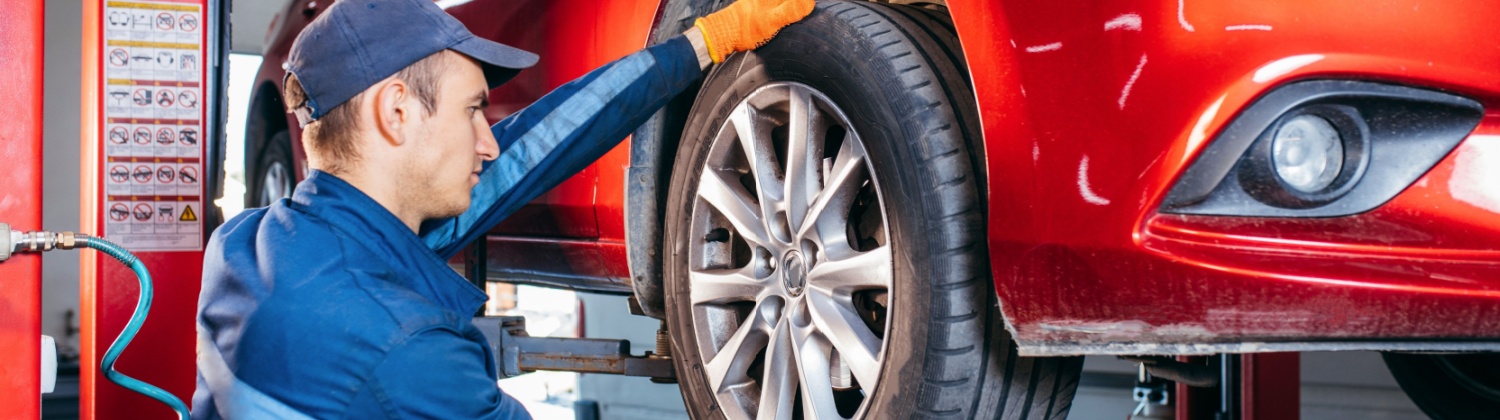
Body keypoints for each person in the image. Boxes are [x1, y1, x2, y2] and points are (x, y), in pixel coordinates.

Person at [192, 0, 813, 417]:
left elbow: (530, 151)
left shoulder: (245, 245)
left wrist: (703, 44)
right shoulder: (410, 352)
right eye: (473, 110)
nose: (488, 141)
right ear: (396, 111)